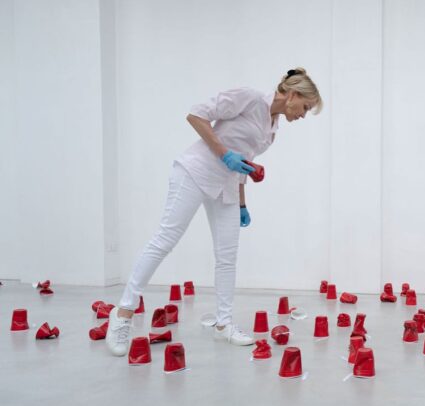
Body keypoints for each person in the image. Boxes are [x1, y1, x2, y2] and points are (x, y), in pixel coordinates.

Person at [106, 68, 323, 356]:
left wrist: (243, 203)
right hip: (195, 172)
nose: (303, 115)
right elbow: (196, 114)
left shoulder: (272, 130)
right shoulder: (249, 98)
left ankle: (224, 323)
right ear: (293, 95)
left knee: (227, 256)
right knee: (165, 240)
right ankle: (122, 314)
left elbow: (243, 164)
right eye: (306, 107)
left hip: (228, 185)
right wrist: (224, 153)